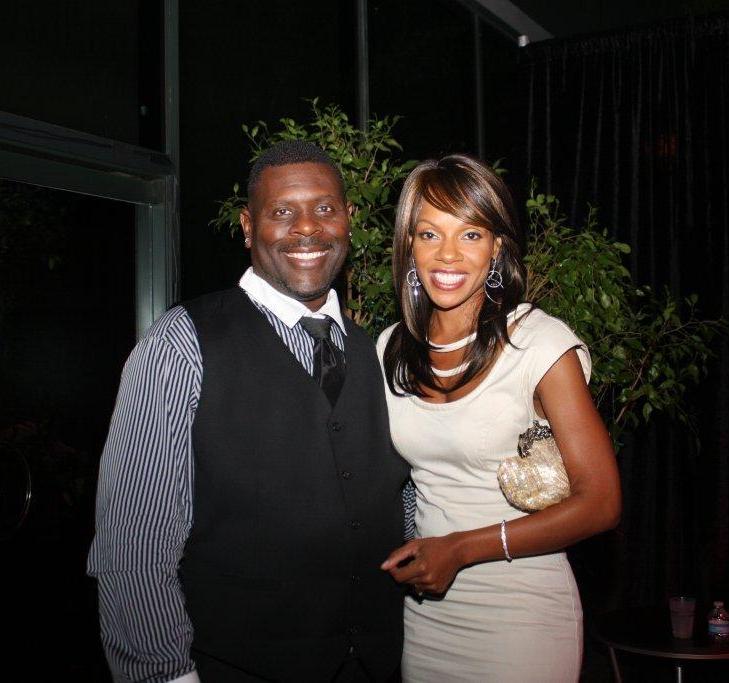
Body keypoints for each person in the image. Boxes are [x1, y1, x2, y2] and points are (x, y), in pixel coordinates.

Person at [88, 140, 409, 683]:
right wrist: (162, 674)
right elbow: (134, 547)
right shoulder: (182, 343)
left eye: (325, 208)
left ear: (348, 220)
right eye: (282, 212)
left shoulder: (378, 353)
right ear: (246, 225)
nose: (307, 228)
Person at [376, 154, 622, 682]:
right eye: (428, 234)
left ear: (497, 249)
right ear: (408, 246)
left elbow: (601, 502)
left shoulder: (538, 343)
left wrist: (462, 549)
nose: (447, 255)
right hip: (427, 616)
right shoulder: (389, 350)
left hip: (522, 612)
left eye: (470, 235)